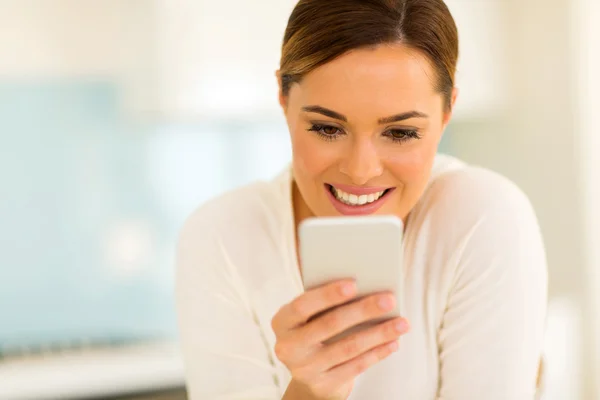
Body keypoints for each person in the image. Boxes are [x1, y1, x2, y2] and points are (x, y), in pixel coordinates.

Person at [175, 0, 548, 399]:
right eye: (327, 128)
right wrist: (309, 392)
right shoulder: (220, 235)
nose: (360, 170)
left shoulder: (484, 216)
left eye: (401, 132)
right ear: (283, 99)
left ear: (446, 112)